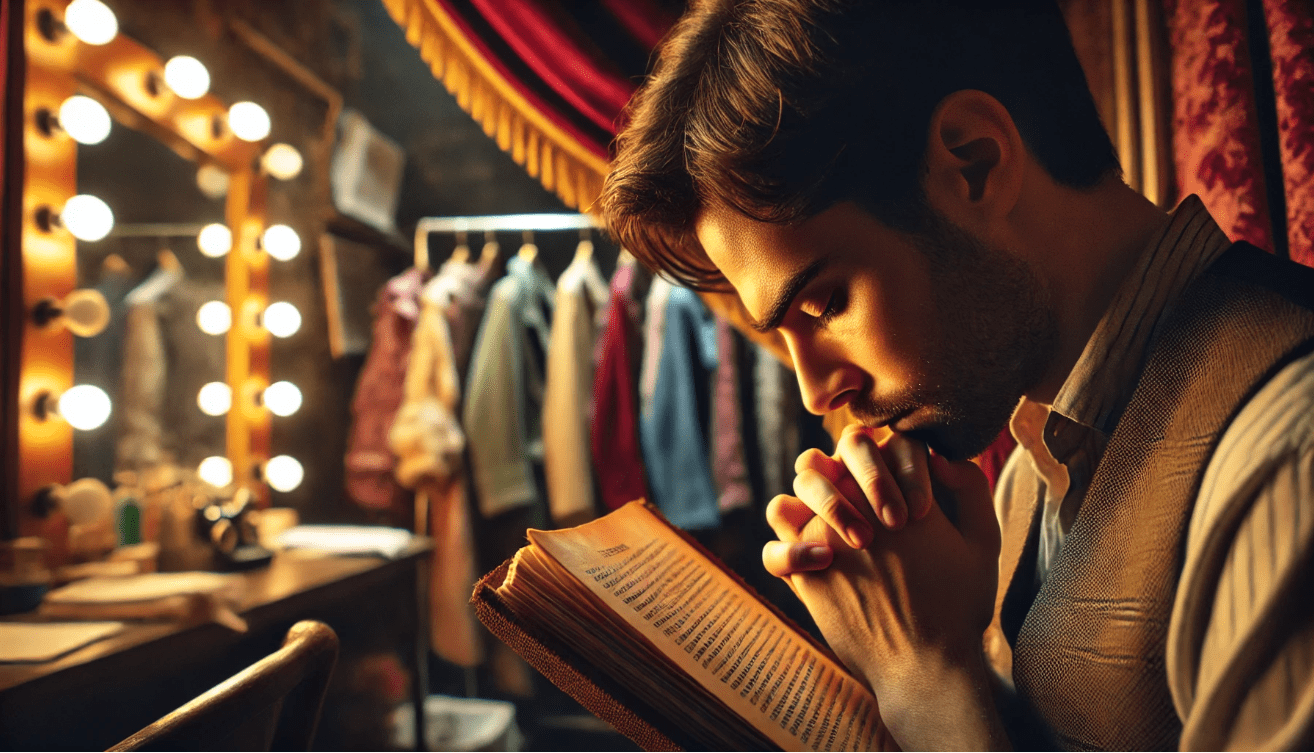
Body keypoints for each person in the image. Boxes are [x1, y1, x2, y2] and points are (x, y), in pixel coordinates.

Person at [599, 0, 1314, 749]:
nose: (816, 393)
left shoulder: (1287, 459)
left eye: (825, 301)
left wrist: (923, 674)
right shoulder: (1030, 468)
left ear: (974, 164)